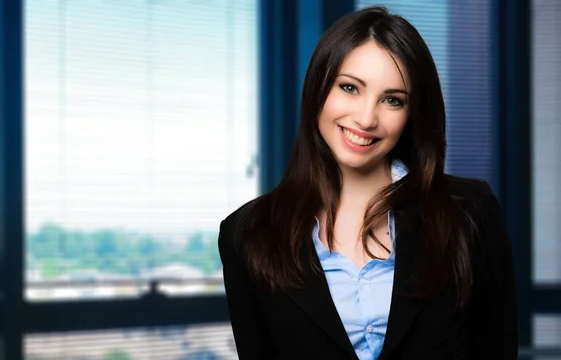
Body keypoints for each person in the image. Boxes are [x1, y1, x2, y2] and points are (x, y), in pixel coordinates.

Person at [218, 6, 518, 360]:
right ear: (319, 89)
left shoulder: (470, 213)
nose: (366, 118)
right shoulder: (249, 234)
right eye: (349, 88)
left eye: (392, 100)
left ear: (412, 113)